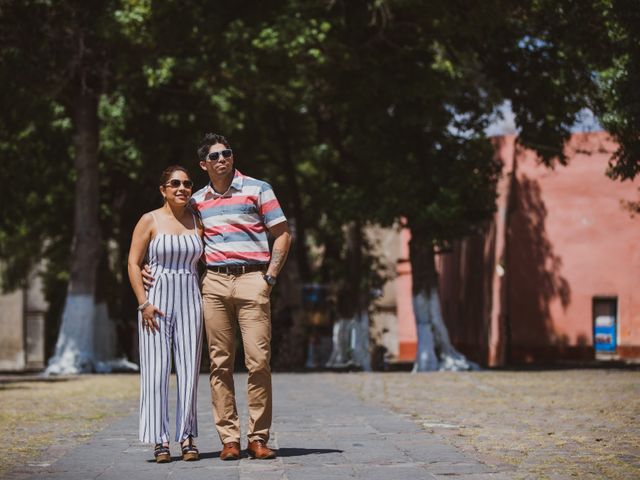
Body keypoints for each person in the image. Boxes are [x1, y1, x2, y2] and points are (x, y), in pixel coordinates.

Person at [145, 133, 291, 460]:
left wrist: (269, 277)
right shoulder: (195, 201)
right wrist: (149, 268)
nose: (222, 158)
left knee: (258, 361)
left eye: (226, 152)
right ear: (204, 164)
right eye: (214, 156)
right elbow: (175, 234)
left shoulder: (258, 189)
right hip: (213, 284)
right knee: (219, 364)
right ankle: (228, 438)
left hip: (253, 278)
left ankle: (258, 438)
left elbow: (282, 234)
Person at [128, 165, 204, 463]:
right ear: (163, 189)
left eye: (186, 183)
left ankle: (187, 437)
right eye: (175, 183)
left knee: (189, 372)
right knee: (156, 372)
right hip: (155, 303)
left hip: (190, 300)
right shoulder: (150, 220)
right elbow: (134, 263)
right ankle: (160, 441)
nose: (182, 188)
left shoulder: (198, 221)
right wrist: (143, 302)